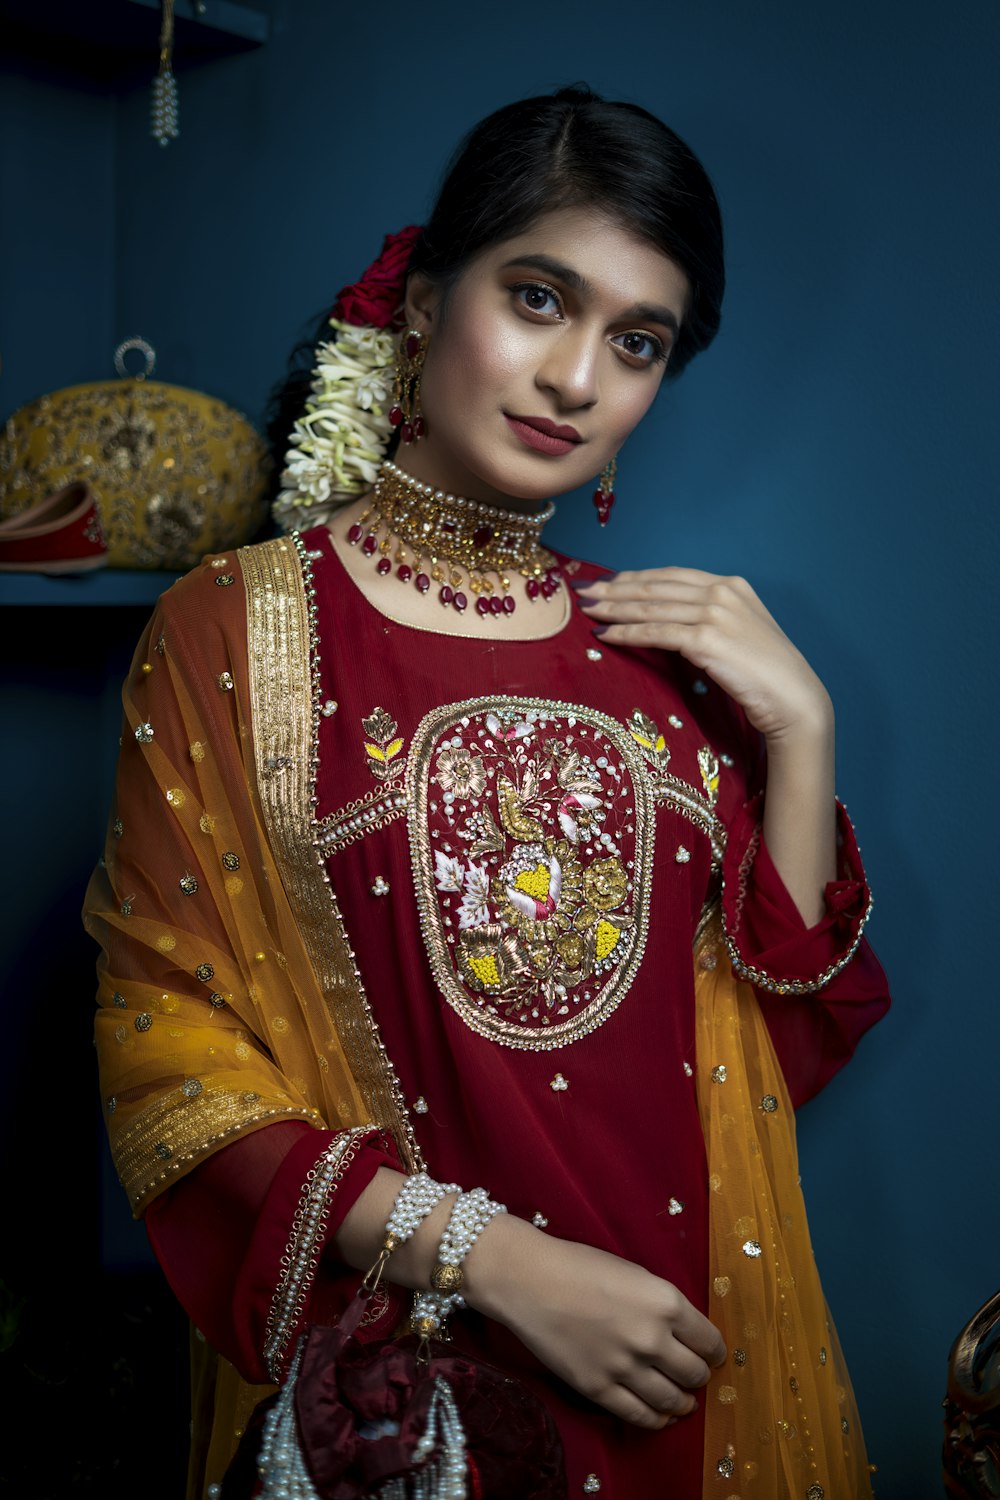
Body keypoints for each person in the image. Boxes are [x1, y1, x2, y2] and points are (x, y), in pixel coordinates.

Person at [84, 84, 890, 1500]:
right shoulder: (240, 629)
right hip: (411, 1395)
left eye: (635, 343)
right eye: (538, 297)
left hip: (683, 1365)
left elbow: (780, 1044)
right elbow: (168, 1052)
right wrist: (500, 1262)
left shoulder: (668, 656)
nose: (577, 378)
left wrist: (805, 729)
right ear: (420, 298)